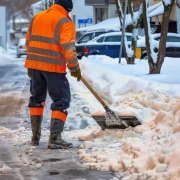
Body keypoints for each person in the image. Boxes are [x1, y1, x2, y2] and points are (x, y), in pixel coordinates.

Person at [24, 0, 81, 149]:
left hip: (35, 66)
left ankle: (35, 139)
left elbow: (28, 41)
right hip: (54, 68)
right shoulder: (65, 21)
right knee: (62, 99)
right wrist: (75, 67)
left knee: (37, 99)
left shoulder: (37, 17)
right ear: (68, 9)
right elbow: (68, 48)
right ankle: (55, 139)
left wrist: (32, 62)